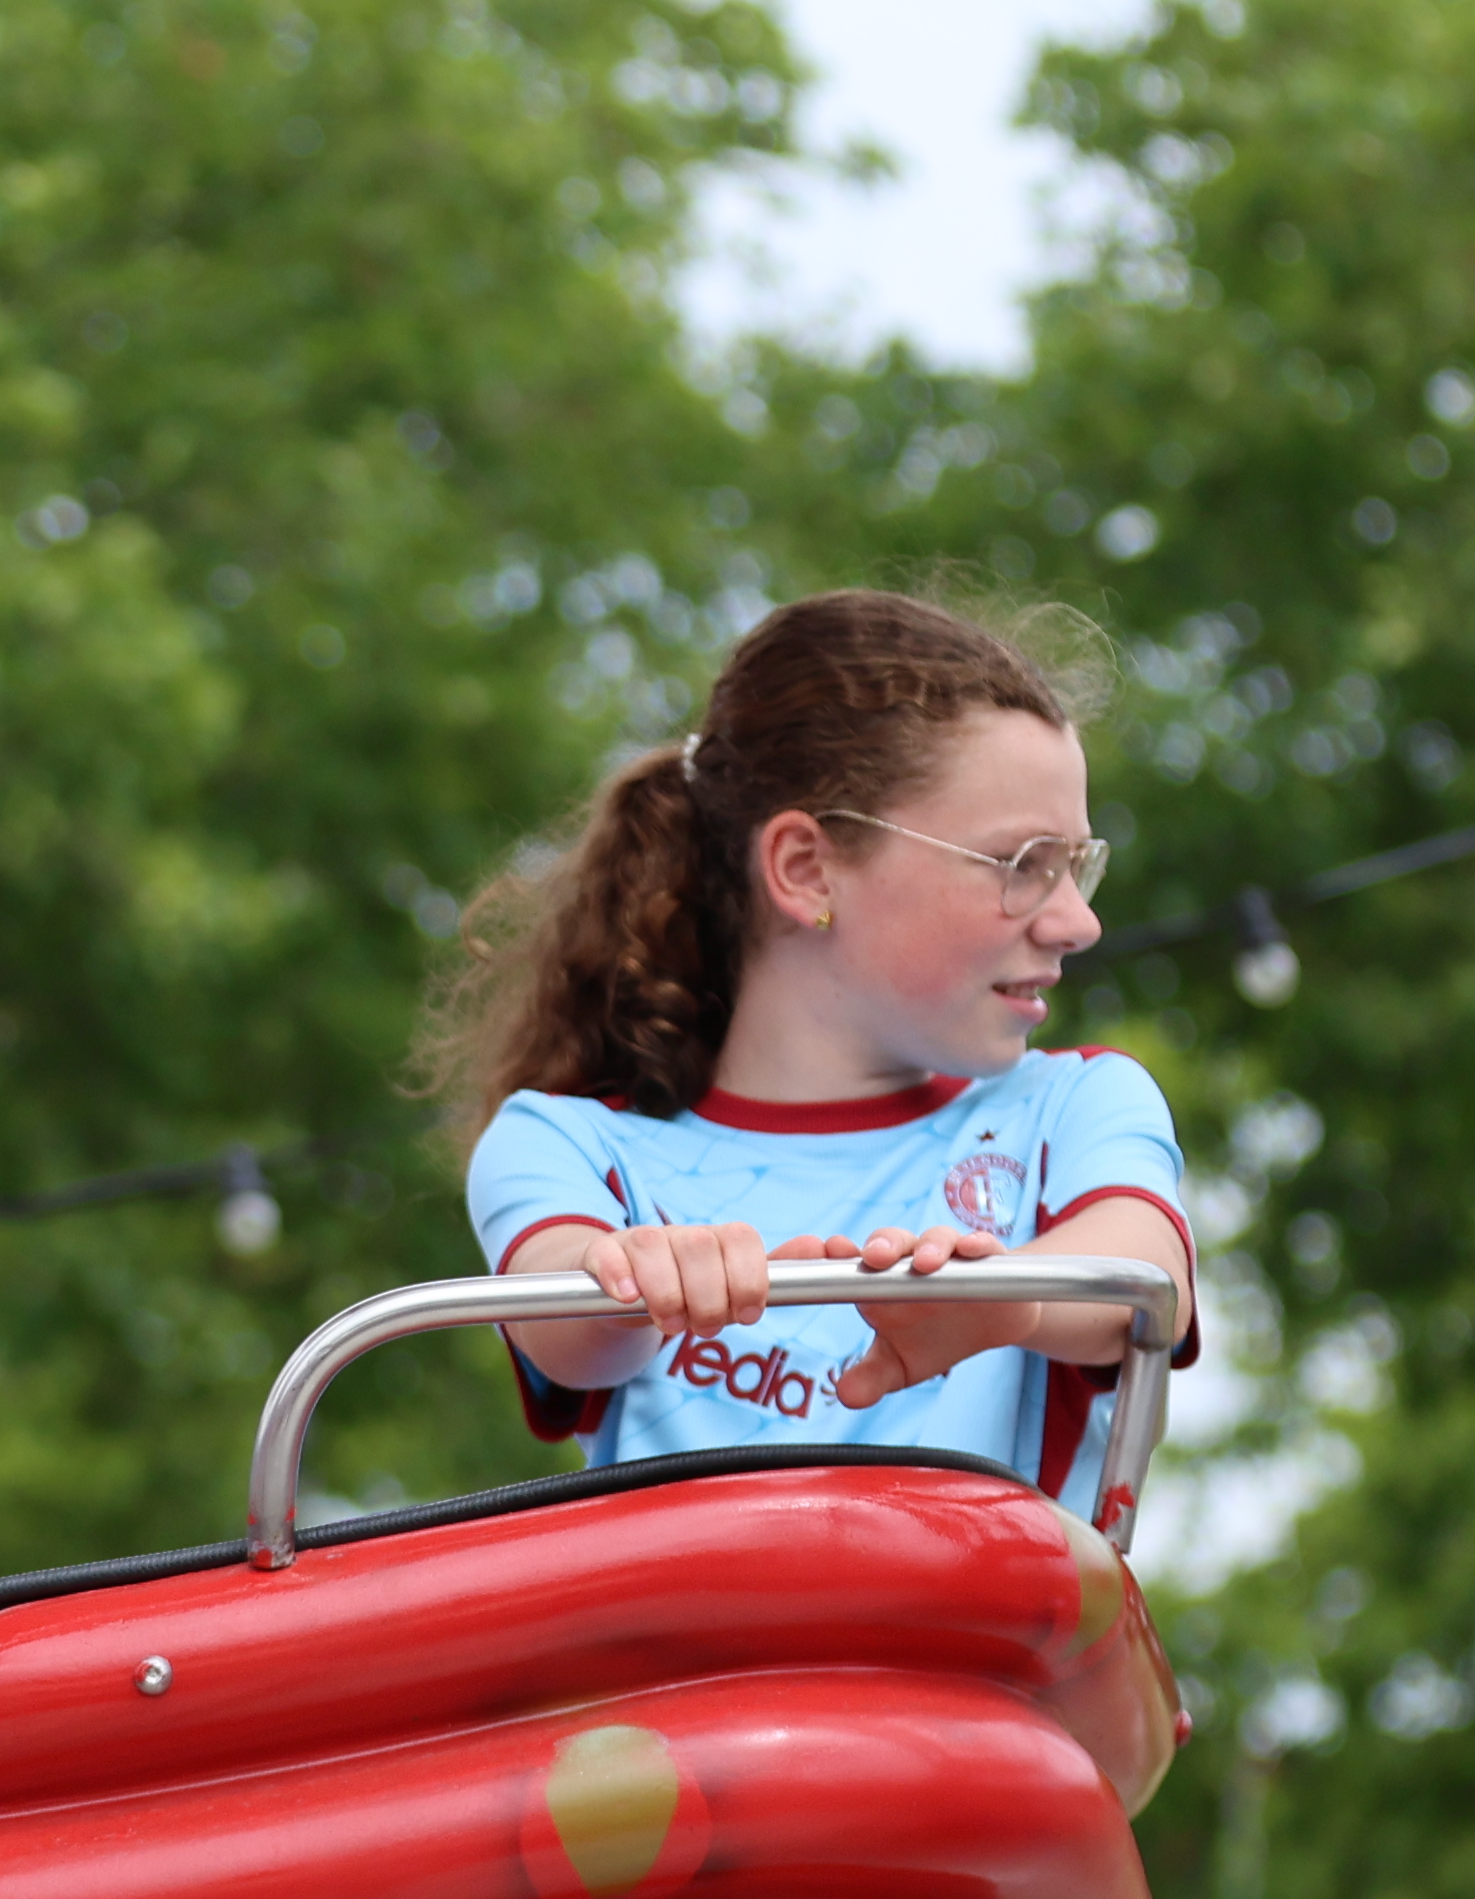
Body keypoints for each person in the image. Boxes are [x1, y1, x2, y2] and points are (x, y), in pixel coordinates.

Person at [426, 583, 1197, 1509]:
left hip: (990, 1609)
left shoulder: (1071, 1107)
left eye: (1075, 867)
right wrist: (640, 1281)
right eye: (1021, 865)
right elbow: (566, 1328)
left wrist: (1007, 1303)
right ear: (806, 869)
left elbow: (1147, 1285)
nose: (1079, 922)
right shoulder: (572, 1147)